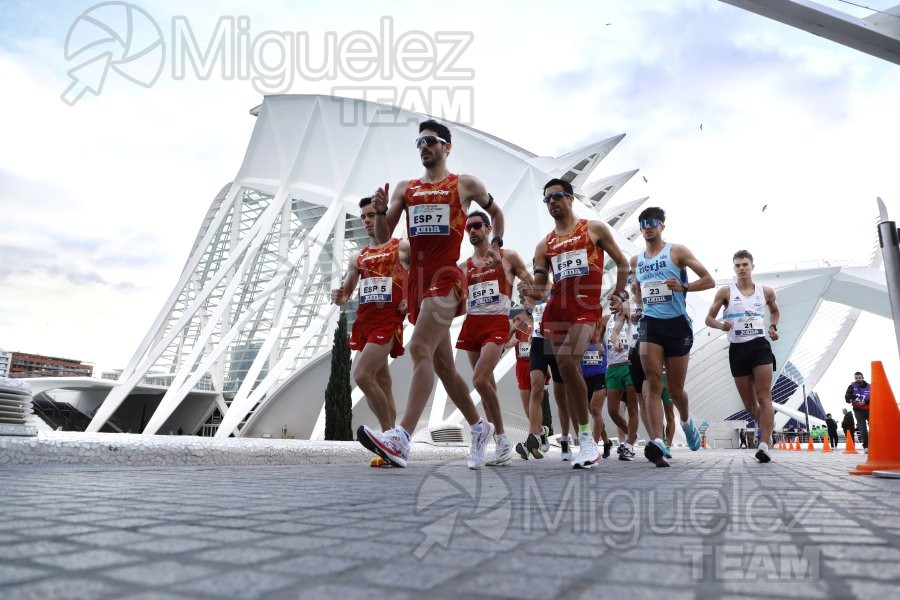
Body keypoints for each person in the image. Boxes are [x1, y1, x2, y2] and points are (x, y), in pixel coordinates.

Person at [356, 119, 504, 469]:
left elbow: (495, 211)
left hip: (446, 277)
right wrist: (378, 212)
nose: (424, 146)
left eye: (432, 141)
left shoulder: (463, 183)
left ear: (446, 147)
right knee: (443, 367)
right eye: (419, 142)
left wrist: (496, 242)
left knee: (418, 348)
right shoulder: (406, 189)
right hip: (418, 283)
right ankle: (479, 427)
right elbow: (382, 234)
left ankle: (402, 438)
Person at [521, 178, 629, 469]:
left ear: (570, 199)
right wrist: (529, 291)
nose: (552, 202)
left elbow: (623, 262)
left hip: (586, 308)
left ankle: (586, 442)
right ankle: (584, 437)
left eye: (557, 196)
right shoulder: (545, 244)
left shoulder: (593, 229)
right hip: (556, 311)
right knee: (567, 376)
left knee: (568, 362)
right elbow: (542, 289)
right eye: (547, 199)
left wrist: (618, 293)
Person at [631, 207, 715, 467]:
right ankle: (657, 441)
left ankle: (687, 422)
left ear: (662, 226)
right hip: (649, 324)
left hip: (677, 324)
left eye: (652, 222)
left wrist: (684, 286)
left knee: (676, 390)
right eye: (643, 223)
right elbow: (637, 289)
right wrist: (637, 308)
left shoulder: (677, 251)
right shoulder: (636, 261)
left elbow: (709, 280)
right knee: (652, 380)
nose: (647, 227)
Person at [331, 197, 410, 467]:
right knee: (383, 384)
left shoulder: (401, 247)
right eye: (363, 216)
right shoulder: (359, 257)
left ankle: (391, 442)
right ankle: (391, 443)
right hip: (365, 323)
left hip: (388, 322)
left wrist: (412, 297)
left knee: (362, 375)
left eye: (371, 215)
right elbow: (346, 293)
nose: (366, 220)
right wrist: (339, 295)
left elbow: (426, 269)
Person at [456, 210, 533, 466]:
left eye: (477, 226)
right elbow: (455, 300)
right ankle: (495, 443)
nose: (472, 231)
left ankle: (500, 438)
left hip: (496, 325)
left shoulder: (508, 256)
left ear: (489, 229)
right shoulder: (465, 266)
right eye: (469, 228)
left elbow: (533, 286)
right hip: (472, 326)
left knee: (479, 380)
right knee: (487, 384)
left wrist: (527, 305)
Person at [705, 249, 780, 463]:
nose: (741, 268)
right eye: (737, 265)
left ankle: (764, 443)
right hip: (738, 350)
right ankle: (766, 426)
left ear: (752, 266)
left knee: (764, 395)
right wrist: (721, 325)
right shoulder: (725, 292)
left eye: (745, 264)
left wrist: (773, 326)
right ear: (734, 268)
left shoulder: (765, 292)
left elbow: (775, 311)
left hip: (759, 347)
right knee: (749, 405)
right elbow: (709, 319)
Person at [517, 295, 564, 460]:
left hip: (557, 343)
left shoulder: (557, 288)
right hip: (538, 345)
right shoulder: (531, 298)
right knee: (535, 392)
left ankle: (564, 439)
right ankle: (535, 435)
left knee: (561, 397)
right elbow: (515, 323)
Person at [584, 322, 612, 458]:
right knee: (595, 414)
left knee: (595, 410)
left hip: (601, 377)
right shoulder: (580, 341)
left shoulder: (602, 340)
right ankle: (606, 441)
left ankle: (594, 446)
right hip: (585, 379)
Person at [845, 371, 870, 450]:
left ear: (863, 378)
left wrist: (865, 402)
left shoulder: (870, 386)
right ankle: (866, 446)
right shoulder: (851, 386)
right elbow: (847, 398)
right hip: (858, 411)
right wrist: (853, 400)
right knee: (862, 429)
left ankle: (876, 444)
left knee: (874, 427)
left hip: (870, 410)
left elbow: (875, 397)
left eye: (859, 378)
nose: (858, 379)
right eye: (856, 378)